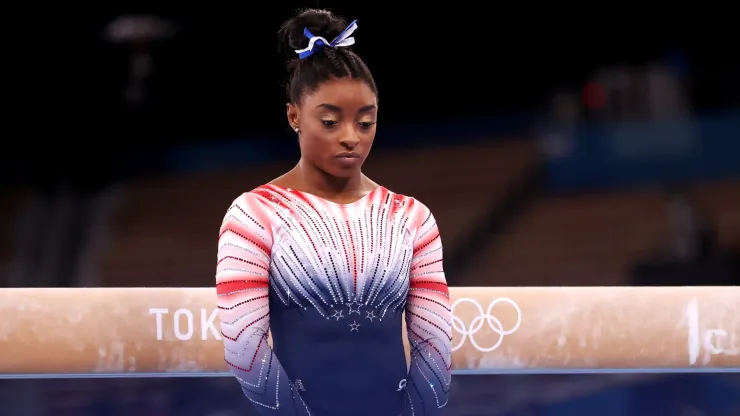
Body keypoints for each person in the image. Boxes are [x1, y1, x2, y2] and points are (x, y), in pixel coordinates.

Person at [214, 9, 452, 416]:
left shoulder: (411, 218)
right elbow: (243, 346)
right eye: (330, 121)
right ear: (295, 117)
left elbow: (435, 344)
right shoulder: (255, 215)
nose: (350, 138)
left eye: (365, 122)